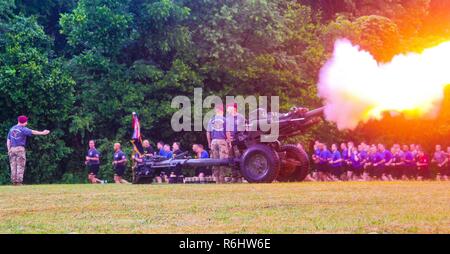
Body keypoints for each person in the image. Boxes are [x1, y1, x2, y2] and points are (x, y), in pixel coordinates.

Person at [6, 115, 50, 185]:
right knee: (20, 165)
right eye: (26, 122)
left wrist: (9, 149)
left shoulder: (11, 129)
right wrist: (43, 133)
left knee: (13, 166)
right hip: (20, 149)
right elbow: (33, 132)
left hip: (12, 149)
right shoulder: (23, 129)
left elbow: (8, 140)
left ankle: (14, 182)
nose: (26, 123)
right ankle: (19, 182)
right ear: (23, 122)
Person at [207, 104, 231, 184]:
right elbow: (227, 132)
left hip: (214, 141)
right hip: (222, 141)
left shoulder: (211, 120)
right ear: (221, 110)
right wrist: (229, 142)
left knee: (215, 161)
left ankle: (216, 179)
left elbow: (208, 133)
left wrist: (209, 143)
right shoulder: (225, 119)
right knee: (223, 160)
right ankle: (222, 179)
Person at [226, 103, 245, 182]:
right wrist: (228, 138)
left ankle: (241, 176)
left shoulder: (240, 117)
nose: (228, 109)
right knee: (231, 158)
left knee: (240, 157)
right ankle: (234, 176)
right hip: (230, 140)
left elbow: (244, 128)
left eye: (229, 107)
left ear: (234, 108)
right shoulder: (227, 118)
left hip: (238, 140)